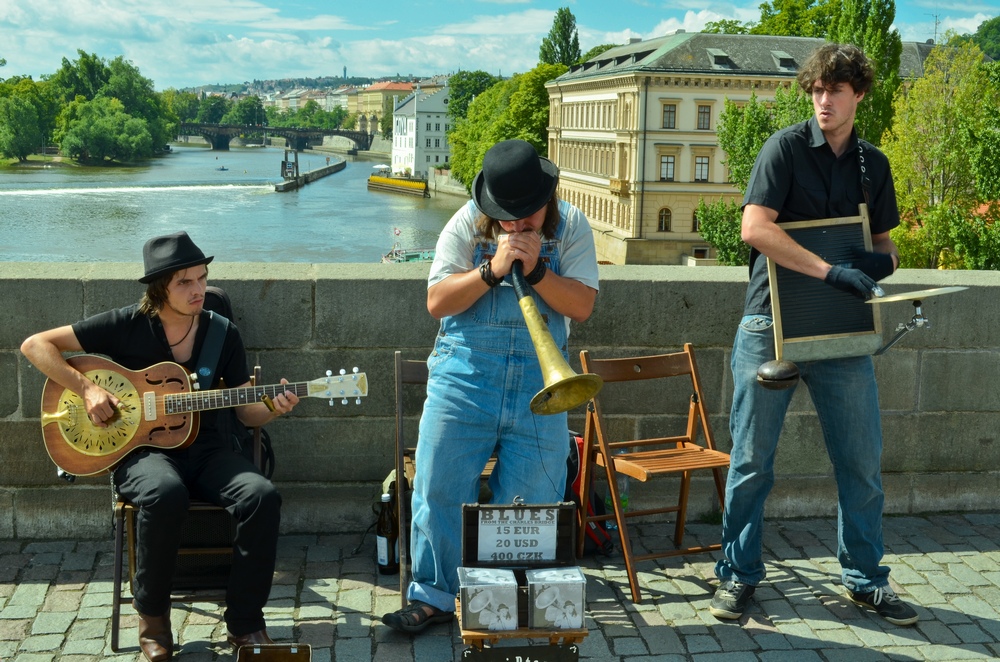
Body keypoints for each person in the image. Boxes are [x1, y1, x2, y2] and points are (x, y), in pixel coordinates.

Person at [710, 43, 919, 627]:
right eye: (817, 90)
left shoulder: (873, 165)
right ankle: (737, 575)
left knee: (861, 463)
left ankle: (865, 579)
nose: (824, 100)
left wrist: (881, 265)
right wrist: (829, 270)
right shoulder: (782, 149)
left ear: (858, 95)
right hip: (768, 324)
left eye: (836, 90)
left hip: (843, 331)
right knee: (751, 462)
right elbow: (755, 228)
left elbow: (884, 246)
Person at [20, 232, 299, 660]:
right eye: (184, 282)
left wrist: (274, 408)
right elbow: (35, 345)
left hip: (206, 450)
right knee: (165, 493)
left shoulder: (221, 333)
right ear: (159, 288)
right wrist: (88, 389)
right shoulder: (126, 324)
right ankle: (153, 621)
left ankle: (246, 623)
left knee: (262, 495)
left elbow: (246, 413)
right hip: (140, 453)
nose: (198, 290)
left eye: (202, 278)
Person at [381, 139, 599, 634]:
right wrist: (491, 269)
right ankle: (434, 595)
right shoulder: (464, 223)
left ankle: (499, 594)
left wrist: (539, 269)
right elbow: (437, 301)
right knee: (439, 487)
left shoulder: (574, 228)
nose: (517, 226)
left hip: (539, 385)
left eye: (527, 217)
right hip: (464, 378)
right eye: (506, 218)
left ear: (550, 198)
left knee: (532, 497)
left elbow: (582, 305)